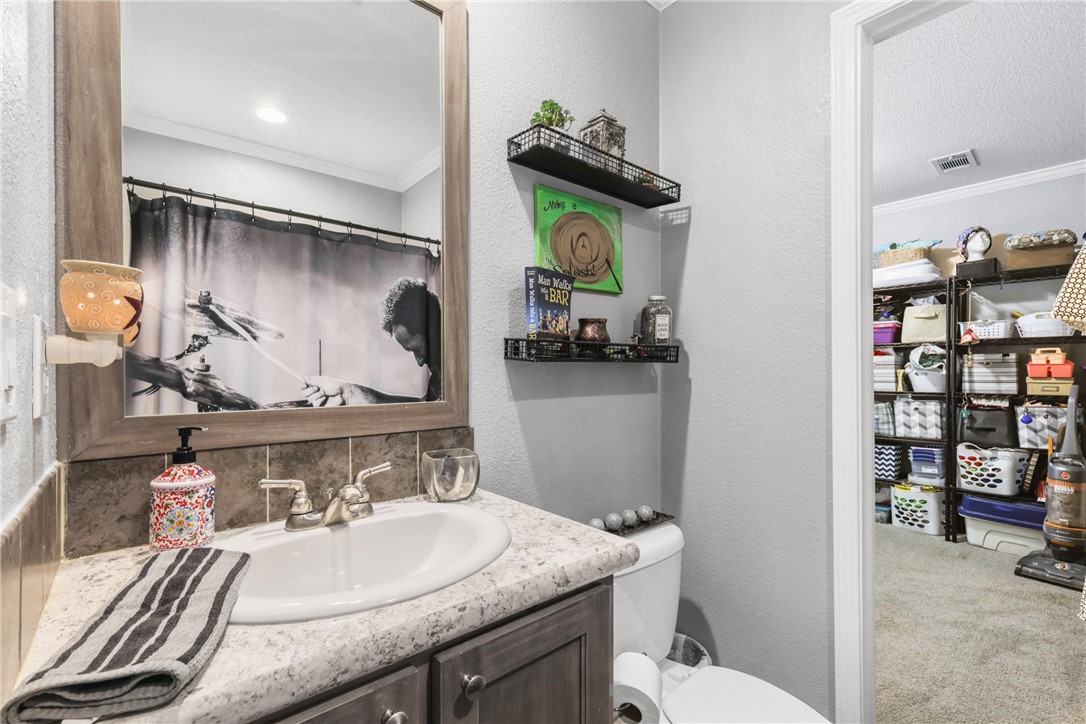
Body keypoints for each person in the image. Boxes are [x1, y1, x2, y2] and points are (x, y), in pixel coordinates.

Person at [301, 277, 442, 406]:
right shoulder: (439, 374)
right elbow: (424, 406)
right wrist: (348, 393)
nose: (419, 362)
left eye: (417, 349)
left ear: (433, 328)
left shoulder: (459, 368)